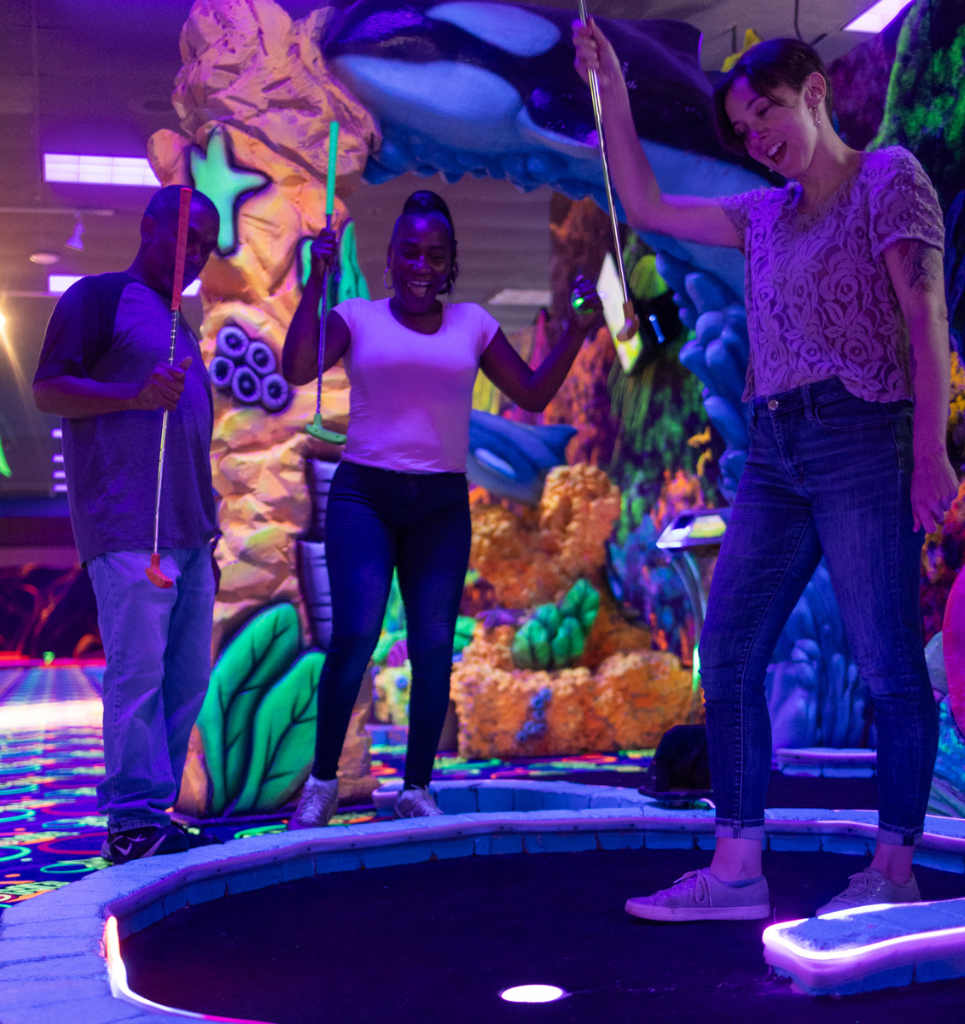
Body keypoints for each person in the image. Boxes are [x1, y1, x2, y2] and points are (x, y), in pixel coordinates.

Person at [574, 25, 956, 920]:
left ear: (814, 92)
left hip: (866, 436)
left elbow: (928, 312)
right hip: (774, 452)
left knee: (890, 667)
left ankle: (893, 870)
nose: (758, 138)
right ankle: (738, 867)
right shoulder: (761, 215)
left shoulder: (887, 177)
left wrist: (932, 450)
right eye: (744, 131)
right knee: (730, 649)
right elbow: (646, 205)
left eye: (768, 112)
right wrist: (614, 93)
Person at [282, 190, 601, 826]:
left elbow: (534, 394)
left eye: (434, 254)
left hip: (439, 505)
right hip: (365, 496)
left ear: (449, 261)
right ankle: (320, 782)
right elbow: (295, 367)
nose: (421, 265)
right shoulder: (356, 317)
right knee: (355, 637)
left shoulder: (473, 325)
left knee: (432, 647)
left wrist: (578, 330)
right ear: (392, 258)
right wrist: (315, 283)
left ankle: (417, 787)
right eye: (409, 253)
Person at [33, 185, 222, 864]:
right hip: (127, 530)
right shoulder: (97, 296)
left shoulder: (184, 324)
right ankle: (130, 818)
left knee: (186, 680)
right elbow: (48, 388)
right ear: (149, 228)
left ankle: (153, 812)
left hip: (191, 533)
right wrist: (132, 393)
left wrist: (211, 531)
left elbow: (190, 437)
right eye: (186, 238)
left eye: (206, 244)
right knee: (137, 676)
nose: (195, 254)